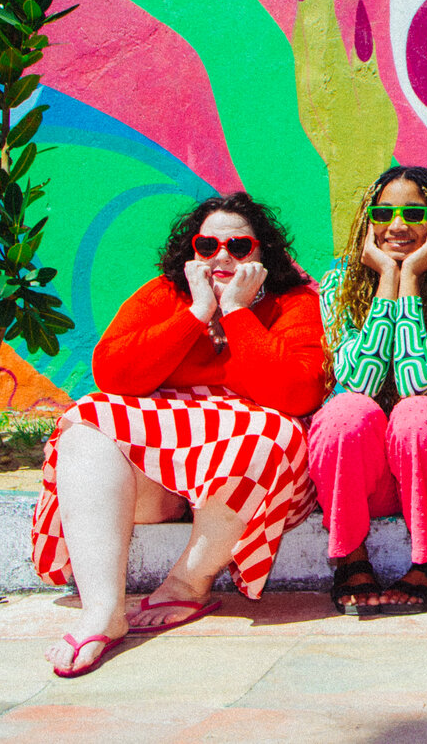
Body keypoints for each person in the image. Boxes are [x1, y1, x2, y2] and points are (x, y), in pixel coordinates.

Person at [31, 193, 324, 677]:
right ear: (192, 253)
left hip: (251, 486)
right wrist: (196, 313)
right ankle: (102, 612)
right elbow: (113, 376)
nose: (222, 256)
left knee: (269, 432)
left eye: (239, 245)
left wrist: (235, 312)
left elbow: (296, 396)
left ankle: (188, 585)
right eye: (207, 245)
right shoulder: (165, 295)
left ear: (262, 254)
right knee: (87, 424)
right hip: (161, 488)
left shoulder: (295, 302)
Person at [309, 166, 427, 615]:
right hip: (364, 479)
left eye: (413, 213)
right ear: (367, 221)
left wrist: (407, 279)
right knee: (346, 411)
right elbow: (360, 382)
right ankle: (350, 557)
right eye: (383, 213)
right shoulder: (336, 288)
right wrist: (386, 286)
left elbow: (415, 383)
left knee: (418, 413)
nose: (396, 225)